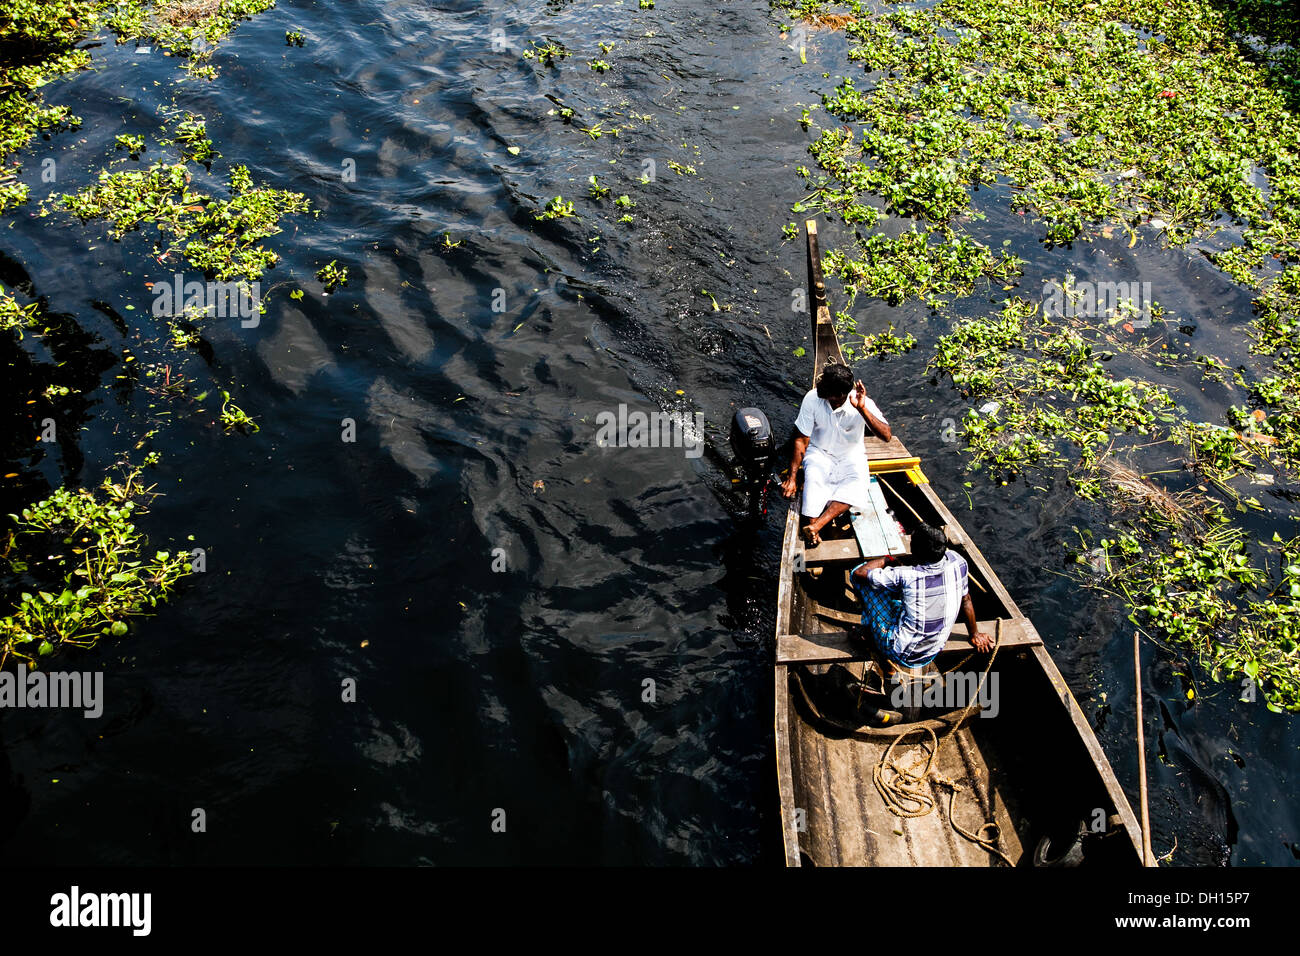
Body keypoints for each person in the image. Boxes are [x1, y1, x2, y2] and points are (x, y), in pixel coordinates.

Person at [849, 522, 993, 673]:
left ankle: (875, 643)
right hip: (932, 651)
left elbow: (860, 573)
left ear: (916, 550)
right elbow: (966, 600)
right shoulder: (958, 561)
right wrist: (975, 634)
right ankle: (874, 634)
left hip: (898, 652)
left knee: (861, 580)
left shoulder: (907, 575)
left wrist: (889, 559)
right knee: (902, 597)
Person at [780, 362, 891, 547]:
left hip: (851, 455)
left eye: (826, 389)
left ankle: (817, 527)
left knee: (858, 486)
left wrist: (862, 409)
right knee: (813, 482)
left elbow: (886, 436)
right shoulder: (812, 398)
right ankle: (813, 531)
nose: (819, 388)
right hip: (819, 452)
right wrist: (792, 478)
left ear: (840, 395)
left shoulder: (863, 403)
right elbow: (801, 440)